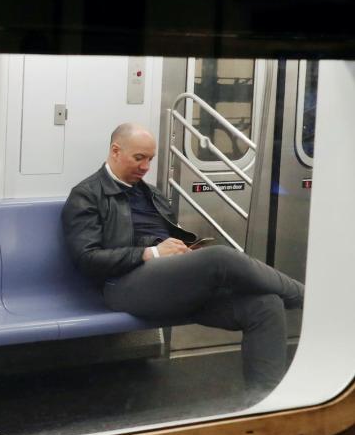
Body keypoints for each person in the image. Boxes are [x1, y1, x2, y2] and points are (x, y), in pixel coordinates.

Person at [62, 122, 304, 397]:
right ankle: (307, 298)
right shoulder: (87, 195)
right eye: (138, 158)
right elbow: (87, 258)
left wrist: (186, 251)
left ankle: (265, 401)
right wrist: (150, 253)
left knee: (266, 305)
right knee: (220, 258)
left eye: (150, 159)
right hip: (124, 285)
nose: (145, 167)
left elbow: (169, 238)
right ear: (116, 151)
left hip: (171, 286)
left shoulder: (152, 193)